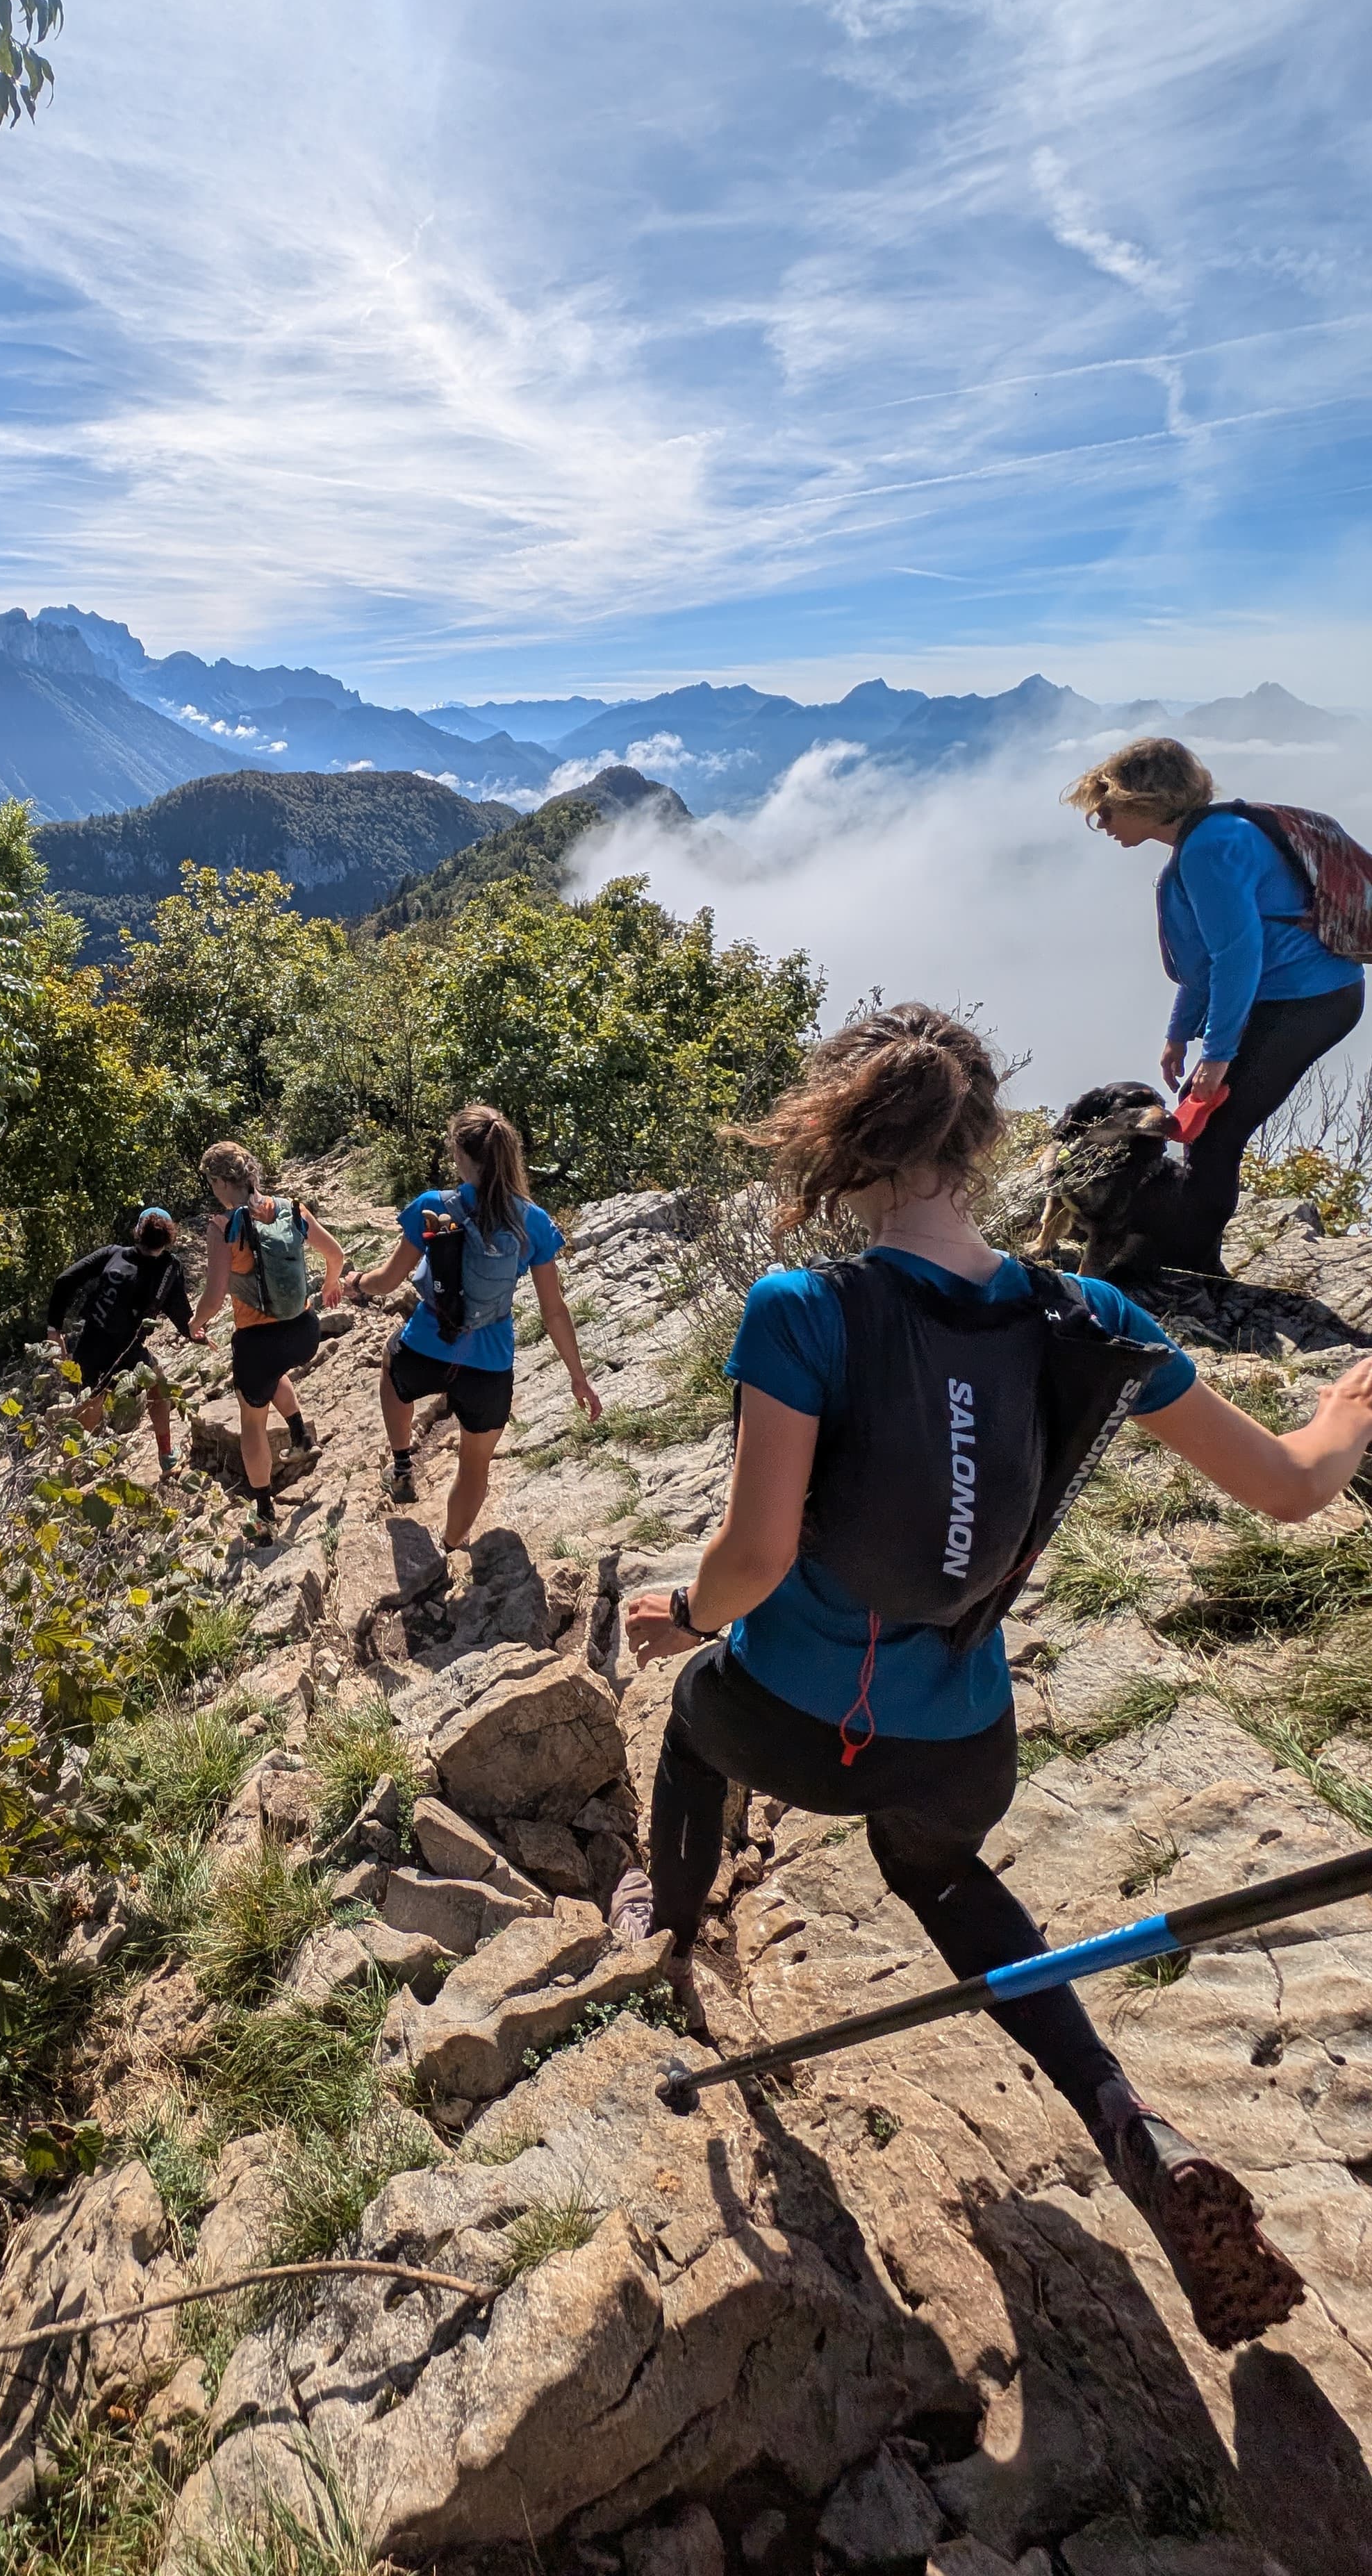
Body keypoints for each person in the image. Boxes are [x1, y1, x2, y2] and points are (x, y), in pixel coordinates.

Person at [613, 1002, 1372, 2350]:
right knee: (949, 1880)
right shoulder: (1092, 1313)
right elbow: (1290, 1489)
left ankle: (665, 1922)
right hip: (960, 1746)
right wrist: (1340, 1415)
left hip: (789, 1722)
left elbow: (753, 1557)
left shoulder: (804, 1310)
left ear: (840, 1143)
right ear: (980, 1137)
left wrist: (678, 1606)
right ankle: (1126, 2119)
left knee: (689, 1721)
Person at [1066, 736, 1364, 1275]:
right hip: (1303, 997)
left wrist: (1218, 1055)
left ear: (1143, 801)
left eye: (1106, 810)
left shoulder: (1209, 849)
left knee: (1214, 1137)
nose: (1102, 824)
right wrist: (1180, 1033)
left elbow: (1237, 956)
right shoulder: (1210, 839)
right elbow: (1207, 961)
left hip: (1308, 1002)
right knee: (1207, 1129)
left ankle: (1190, 1266)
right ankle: (1184, 1254)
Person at [346, 1104, 602, 1581]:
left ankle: (402, 1463)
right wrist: (578, 1378)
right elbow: (554, 1311)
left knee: (391, 1367)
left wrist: (355, 1281)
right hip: (490, 1367)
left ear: (461, 1155)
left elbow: (387, 1280)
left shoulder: (434, 1205)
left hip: (426, 1346)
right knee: (475, 1464)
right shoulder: (534, 1223)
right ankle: (447, 1548)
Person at [188, 1142, 347, 1543]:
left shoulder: (223, 1226)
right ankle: (301, 1436)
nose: (213, 1190)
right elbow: (336, 1254)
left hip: (258, 1342)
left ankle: (263, 1515)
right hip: (304, 1331)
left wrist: (195, 1323)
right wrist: (330, 1285)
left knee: (252, 1423)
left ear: (224, 1181)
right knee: (275, 1374)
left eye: (212, 1182)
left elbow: (214, 1294)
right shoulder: (291, 1208)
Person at [45, 1208, 195, 1475]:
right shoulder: (169, 1269)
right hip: (129, 1352)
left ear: (138, 1231)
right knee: (158, 1386)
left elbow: (64, 1281)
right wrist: (197, 1334)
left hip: (90, 1346)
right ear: (169, 1237)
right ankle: (166, 1456)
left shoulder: (113, 1253)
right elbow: (180, 1313)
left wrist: (54, 1328)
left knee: (89, 1406)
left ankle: (68, 1475)